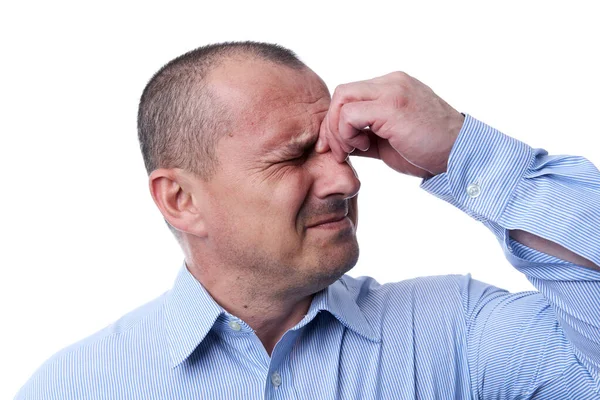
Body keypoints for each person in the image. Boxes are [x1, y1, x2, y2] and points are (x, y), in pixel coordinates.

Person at [16, 41, 600, 399]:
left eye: (338, 151)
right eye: (296, 156)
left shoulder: (458, 331)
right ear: (180, 200)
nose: (346, 181)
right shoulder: (74, 385)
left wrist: (462, 150)